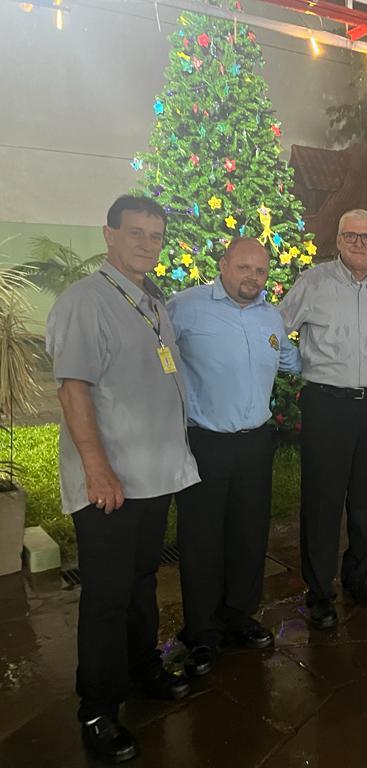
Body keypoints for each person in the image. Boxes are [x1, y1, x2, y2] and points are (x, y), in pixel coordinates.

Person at [46, 195, 201, 764]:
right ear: (109, 235)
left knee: (139, 582)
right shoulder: (85, 303)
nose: (147, 243)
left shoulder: (149, 301)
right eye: (136, 232)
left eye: (155, 235)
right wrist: (96, 467)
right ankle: (98, 708)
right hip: (109, 483)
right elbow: (73, 389)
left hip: (151, 476)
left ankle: (141, 670)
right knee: (108, 596)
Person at [167, 238, 301, 676]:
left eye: (260, 271)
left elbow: (288, 359)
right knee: (202, 539)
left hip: (255, 444)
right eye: (244, 268)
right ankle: (201, 633)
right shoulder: (183, 307)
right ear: (223, 264)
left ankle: (238, 616)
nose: (252, 278)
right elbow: (155, 355)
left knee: (248, 535)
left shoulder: (270, 316)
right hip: (205, 442)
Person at [279, 209, 367, 628]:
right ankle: (320, 592)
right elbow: (276, 331)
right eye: (352, 236)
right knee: (323, 500)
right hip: (326, 405)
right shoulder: (313, 282)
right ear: (338, 238)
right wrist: (303, 365)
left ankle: (357, 577)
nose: (360, 243)